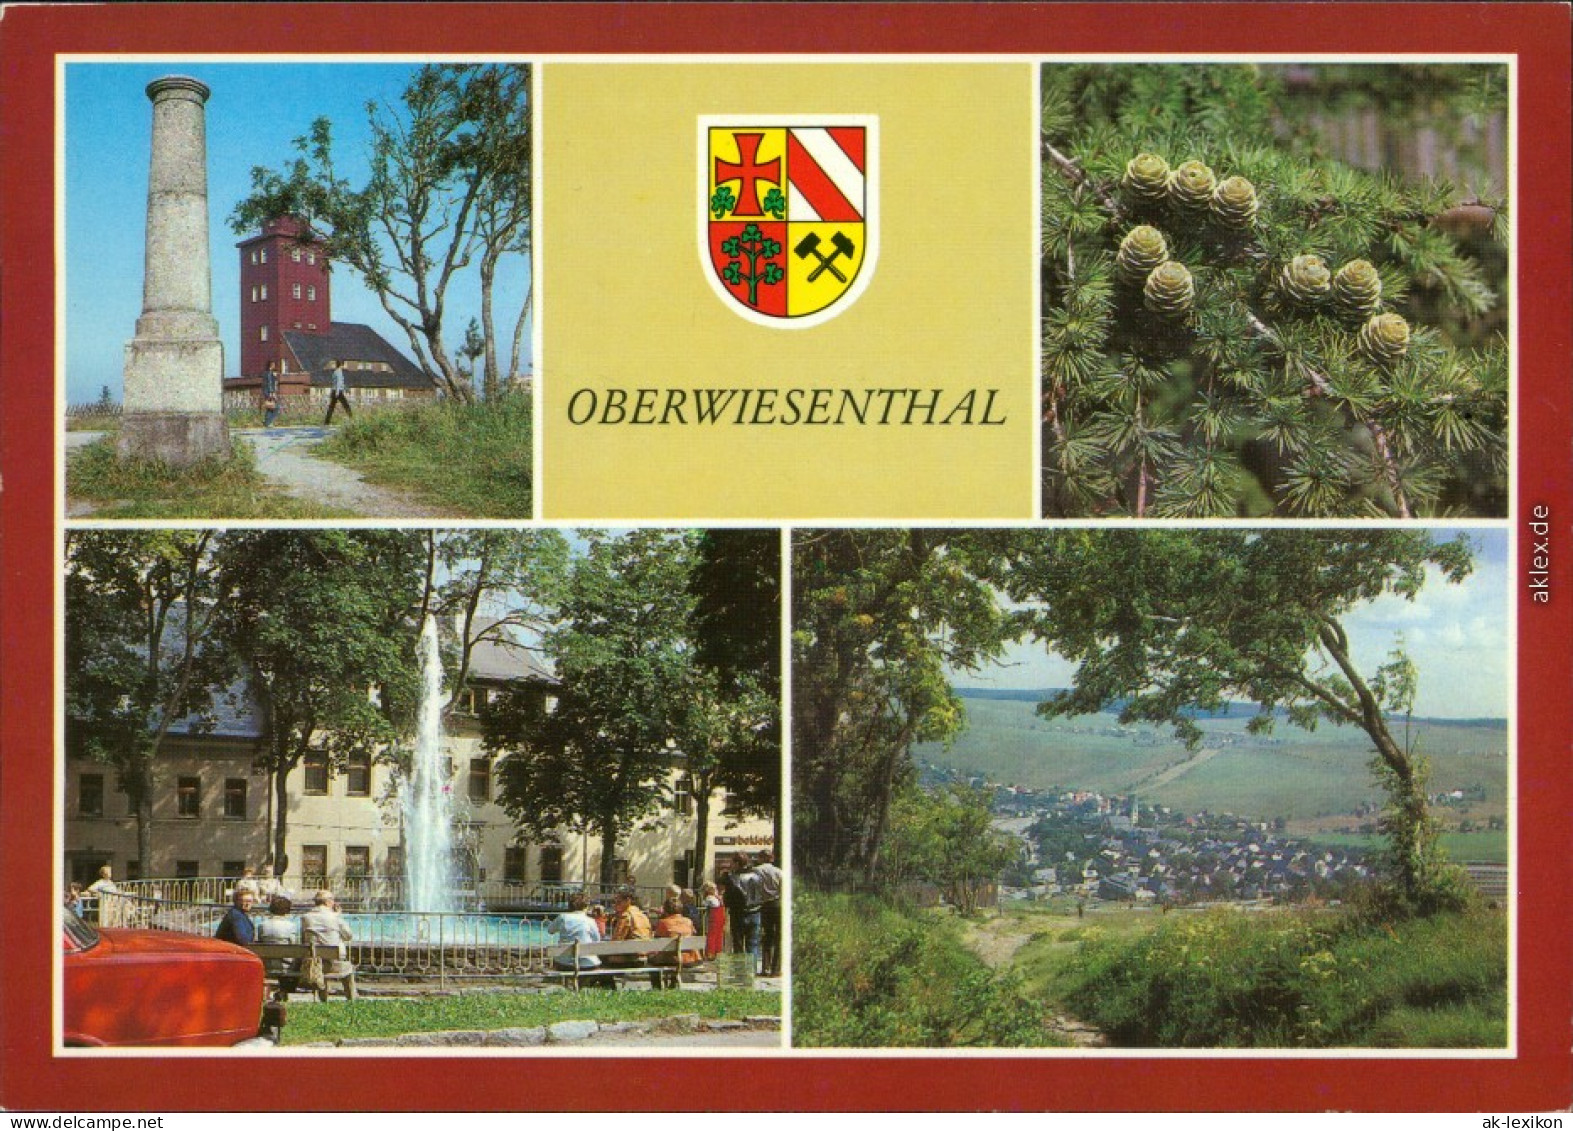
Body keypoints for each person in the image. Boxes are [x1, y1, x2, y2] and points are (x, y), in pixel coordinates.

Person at [722, 853, 765, 973]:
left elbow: (728, 899)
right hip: (756, 912)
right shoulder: (757, 876)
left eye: (732, 862)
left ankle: (740, 972)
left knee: (739, 944)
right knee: (753, 944)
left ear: (736, 863)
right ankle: (752, 971)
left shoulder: (733, 878)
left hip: (739, 914)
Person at [299, 888, 354, 978]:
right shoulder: (335, 917)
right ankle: (351, 992)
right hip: (334, 961)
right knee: (348, 968)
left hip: (313, 960)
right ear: (327, 902)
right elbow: (348, 936)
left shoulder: (306, 917)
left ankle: (323, 992)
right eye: (332, 900)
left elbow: (303, 938)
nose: (333, 902)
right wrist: (338, 915)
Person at [650, 896, 701, 988]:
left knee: (652, 960)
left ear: (665, 910)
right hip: (688, 958)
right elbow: (693, 933)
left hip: (671, 959)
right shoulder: (688, 921)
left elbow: (656, 941)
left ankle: (657, 987)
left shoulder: (663, 923)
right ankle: (673, 980)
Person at [546, 893, 602, 970]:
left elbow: (550, 930)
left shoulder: (563, 917)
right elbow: (596, 940)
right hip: (587, 963)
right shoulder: (590, 921)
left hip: (564, 963)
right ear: (586, 906)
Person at [255, 894, 299, 987]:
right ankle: (287, 990)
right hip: (286, 965)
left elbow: (260, 941)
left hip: (267, 964)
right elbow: (295, 945)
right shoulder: (291, 926)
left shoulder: (262, 925)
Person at [603, 889, 652, 969]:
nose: (615, 905)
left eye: (618, 902)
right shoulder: (643, 915)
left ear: (628, 901)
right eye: (614, 902)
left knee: (600, 959)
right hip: (644, 954)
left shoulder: (626, 916)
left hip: (631, 957)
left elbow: (617, 940)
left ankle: (608, 982)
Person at [755, 849, 784, 977]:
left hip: (763, 905)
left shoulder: (756, 871)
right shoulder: (779, 872)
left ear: (761, 858)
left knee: (767, 936)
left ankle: (765, 967)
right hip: (777, 904)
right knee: (779, 936)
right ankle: (775, 968)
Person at [700, 880, 725, 959]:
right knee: (719, 935)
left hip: (713, 917)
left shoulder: (709, 898)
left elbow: (703, 905)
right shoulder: (718, 898)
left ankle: (710, 953)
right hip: (720, 917)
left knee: (711, 935)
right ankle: (718, 951)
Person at [323, 359, 353, 424]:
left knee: (331, 407)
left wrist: (346, 388)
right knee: (346, 405)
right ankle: (352, 419)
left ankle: (326, 422)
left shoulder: (335, 372)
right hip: (338, 391)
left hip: (334, 391)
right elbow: (339, 382)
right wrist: (338, 392)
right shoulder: (339, 372)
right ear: (341, 365)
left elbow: (337, 382)